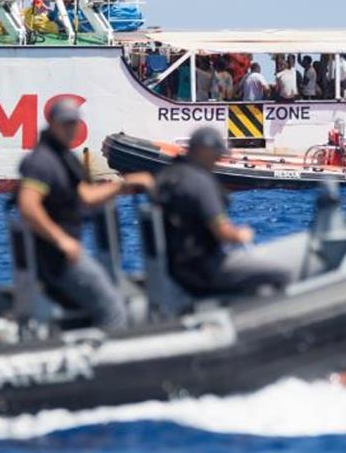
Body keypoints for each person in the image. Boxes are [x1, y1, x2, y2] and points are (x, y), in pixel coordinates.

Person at [18, 99, 153, 328]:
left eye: (74, 123)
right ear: (52, 124)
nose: (71, 129)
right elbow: (28, 206)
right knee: (113, 309)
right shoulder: (41, 162)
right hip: (57, 257)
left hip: (66, 254)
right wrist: (61, 241)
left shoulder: (64, 159)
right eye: (65, 124)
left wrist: (124, 185)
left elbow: (86, 197)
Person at [156, 127, 291, 298]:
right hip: (203, 267)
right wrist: (241, 234)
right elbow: (222, 232)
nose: (218, 159)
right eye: (216, 154)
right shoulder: (199, 182)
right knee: (282, 274)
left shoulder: (169, 176)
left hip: (176, 267)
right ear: (203, 152)